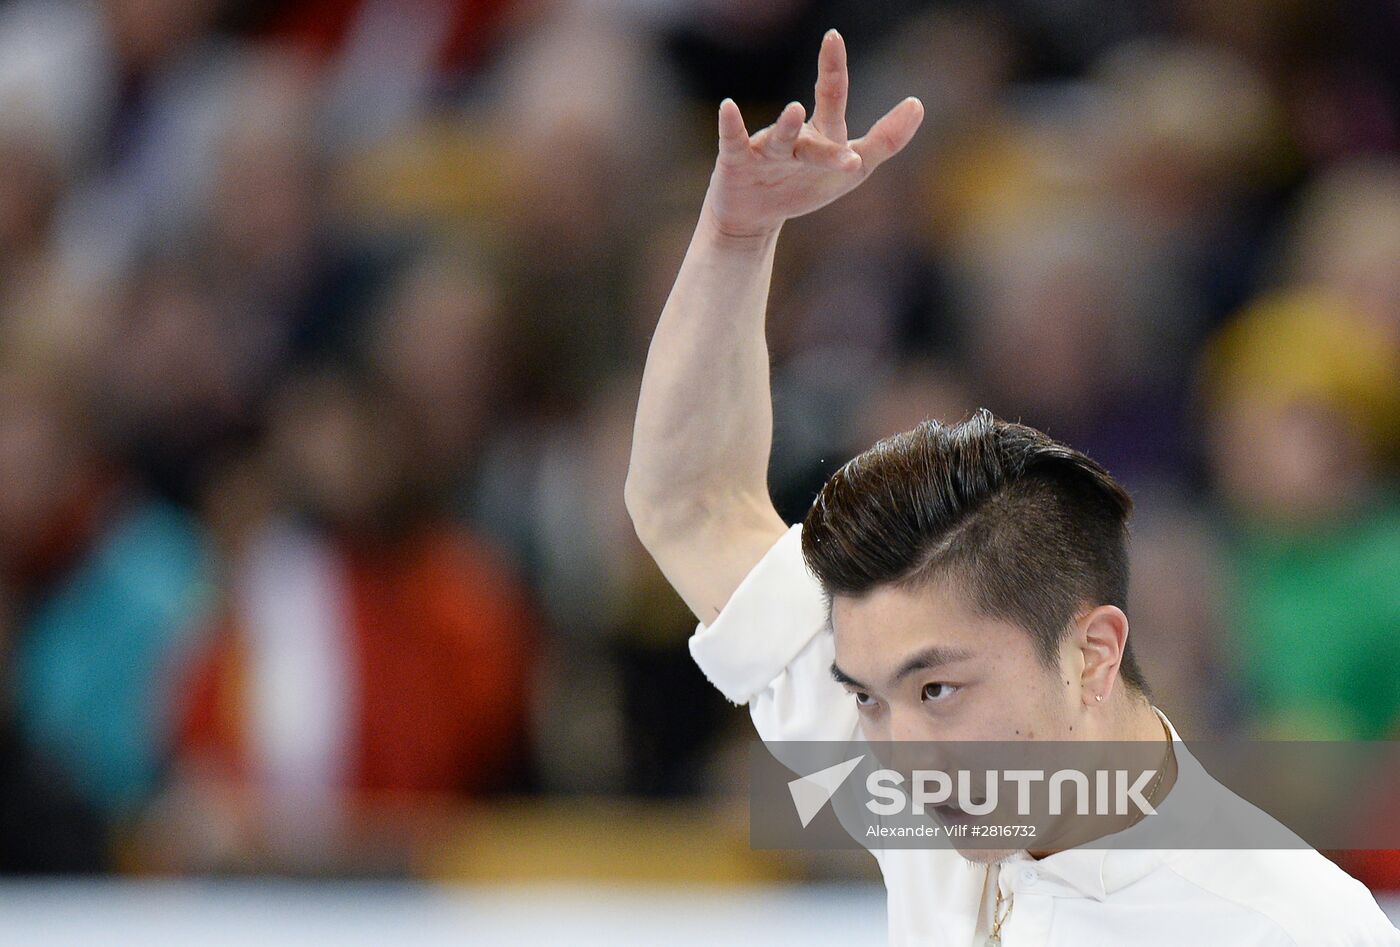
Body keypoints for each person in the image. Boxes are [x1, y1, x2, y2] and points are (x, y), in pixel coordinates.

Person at [625, 29, 1400, 945]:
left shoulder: (1288, 927)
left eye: (937, 691)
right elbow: (693, 505)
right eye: (866, 697)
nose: (899, 763)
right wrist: (737, 236)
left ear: (1093, 654)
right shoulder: (933, 750)